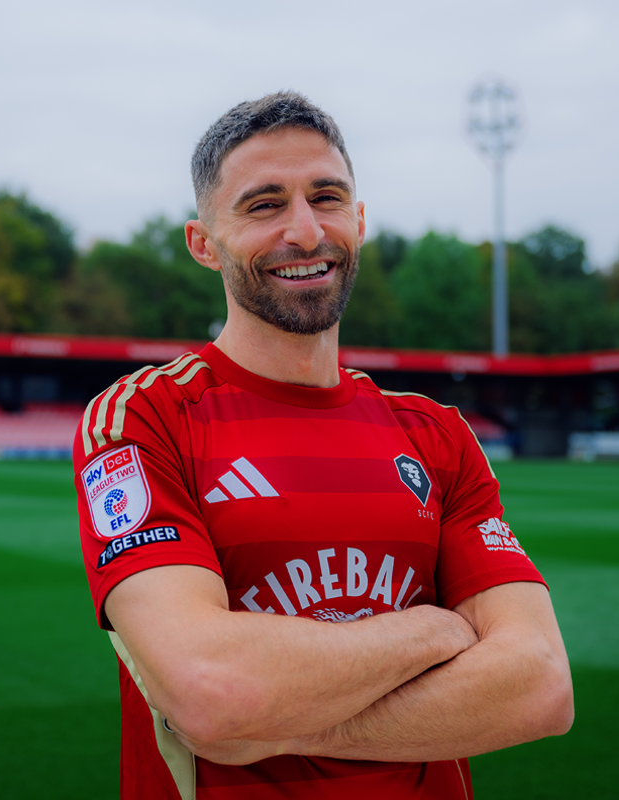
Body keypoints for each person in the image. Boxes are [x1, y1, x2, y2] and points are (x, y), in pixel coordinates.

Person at [73, 91, 573, 800]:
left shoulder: (436, 434)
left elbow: (541, 687)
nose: (306, 232)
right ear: (203, 243)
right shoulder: (146, 418)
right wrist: (430, 633)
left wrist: (274, 728)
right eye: (264, 205)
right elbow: (210, 690)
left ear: (359, 221)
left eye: (327, 198)